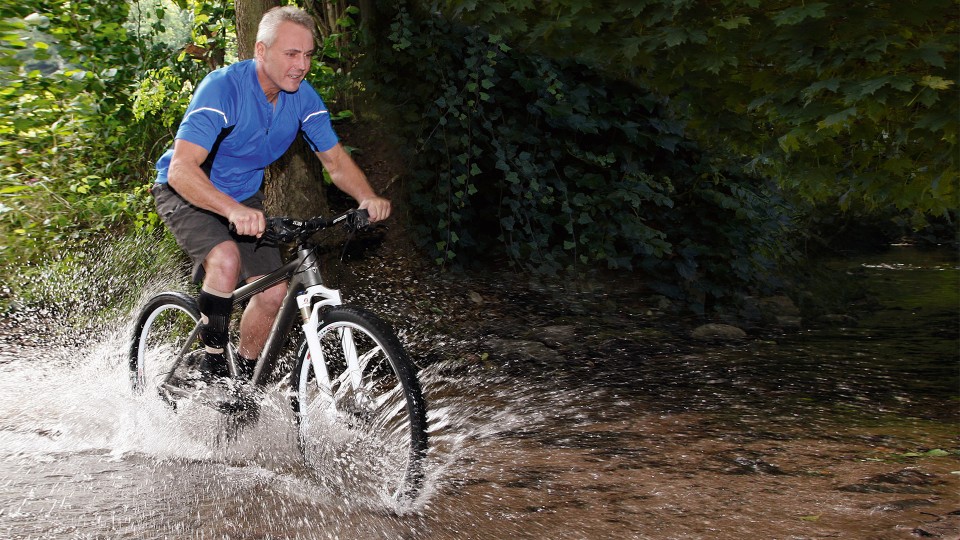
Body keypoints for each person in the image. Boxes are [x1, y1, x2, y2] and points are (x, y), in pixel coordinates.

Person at [151, 6, 390, 381]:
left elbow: (336, 161)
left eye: (308, 55)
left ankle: (242, 377)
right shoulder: (223, 88)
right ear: (261, 51)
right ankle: (212, 368)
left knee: (273, 294)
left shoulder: (303, 98)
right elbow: (183, 169)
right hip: (187, 189)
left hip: (242, 198)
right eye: (291, 54)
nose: (301, 65)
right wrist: (231, 211)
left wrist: (367, 197)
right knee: (226, 260)